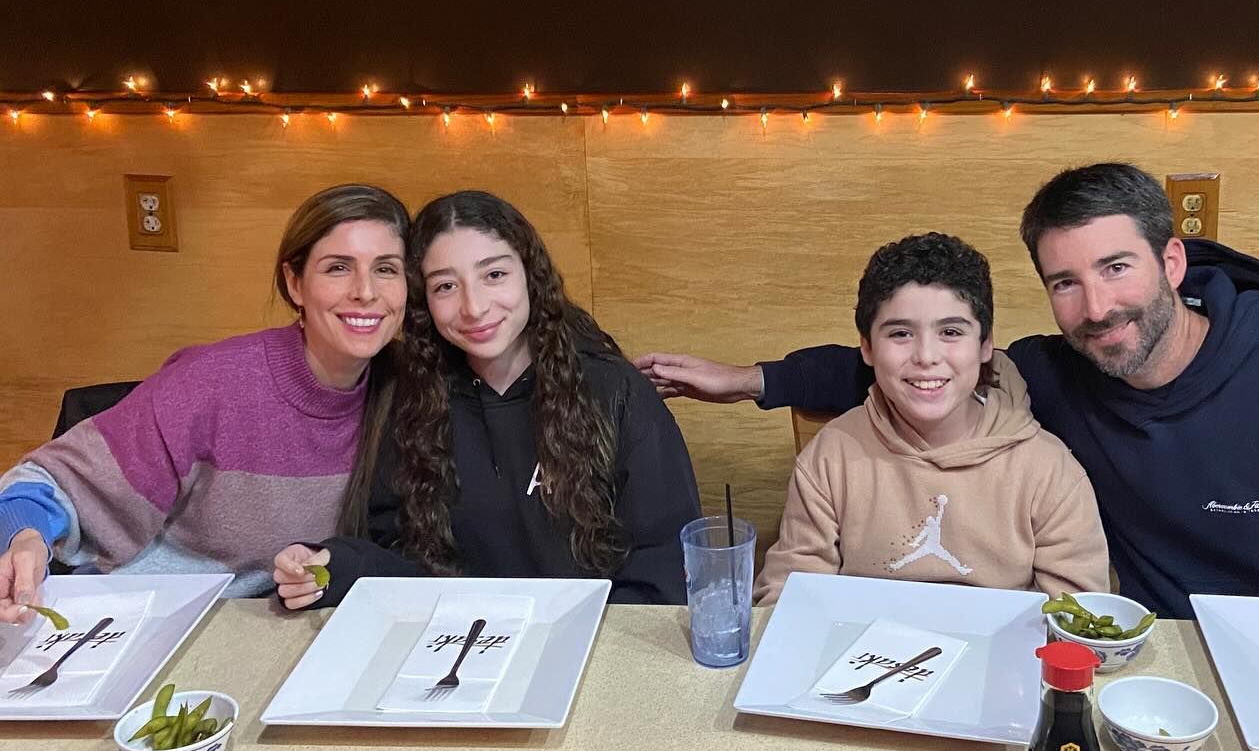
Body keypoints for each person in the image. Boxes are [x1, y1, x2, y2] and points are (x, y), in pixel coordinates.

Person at [637, 163, 1259, 619]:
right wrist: (750, 380)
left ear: (1171, 263)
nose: (1096, 307)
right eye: (1065, 281)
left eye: (1116, 268)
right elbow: (910, 370)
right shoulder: (1056, 369)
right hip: (1149, 653)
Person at [273, 190, 701, 608]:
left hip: (594, 649)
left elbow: (665, 567)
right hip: (457, 648)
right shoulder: (415, 402)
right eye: (445, 287)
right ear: (423, 300)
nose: (474, 307)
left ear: (530, 275)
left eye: (494, 275)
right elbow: (398, 562)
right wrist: (329, 569)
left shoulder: (616, 393)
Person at [0, 183, 410, 617]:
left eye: (385, 269)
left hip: (265, 626)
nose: (366, 291)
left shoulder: (406, 394)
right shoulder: (213, 382)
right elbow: (43, 484)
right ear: (295, 283)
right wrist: (24, 537)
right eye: (338, 268)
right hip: (139, 617)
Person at [753, 232, 1108, 604]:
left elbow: (1075, 617)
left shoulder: (1049, 470)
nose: (926, 356)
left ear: (986, 345)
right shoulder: (831, 456)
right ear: (868, 348)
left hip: (1002, 657)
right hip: (862, 656)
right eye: (901, 333)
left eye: (951, 332)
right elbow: (788, 595)